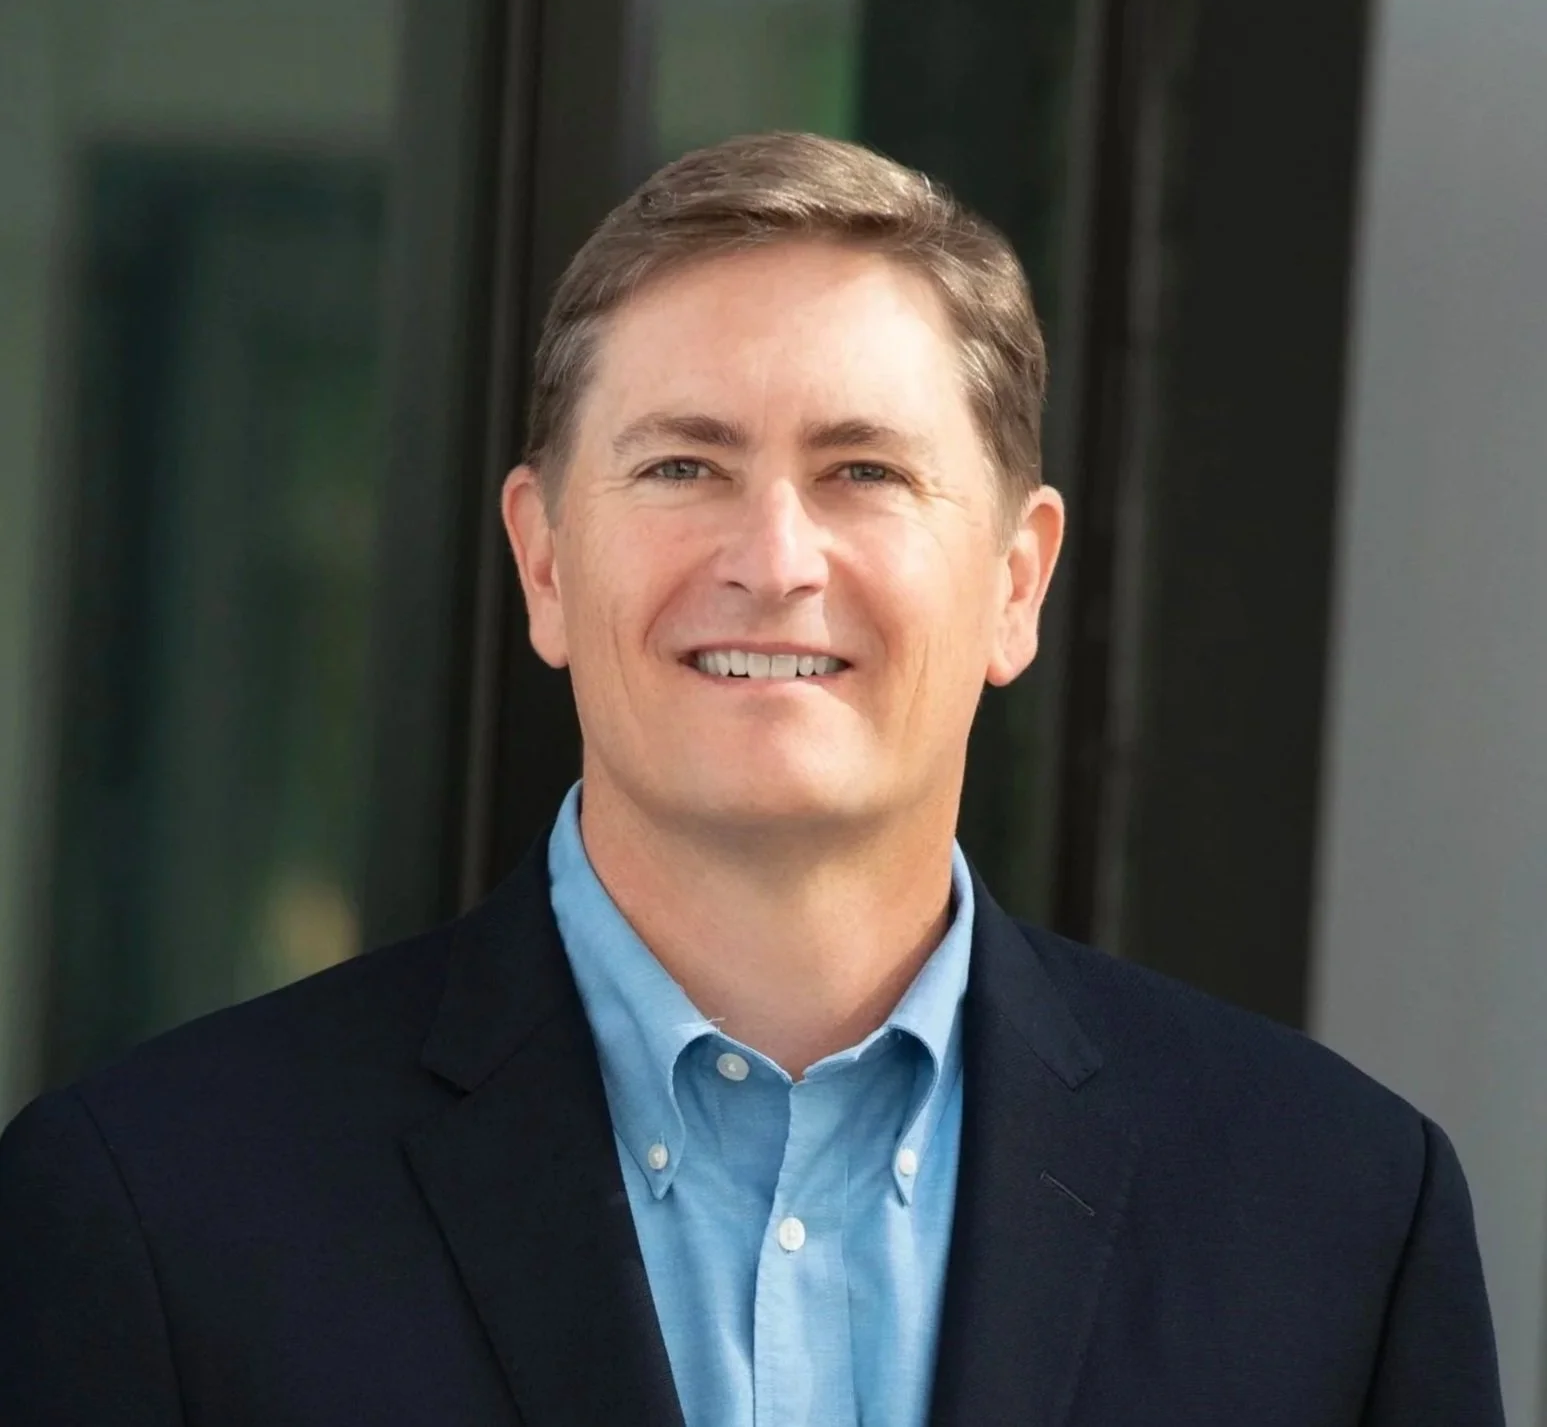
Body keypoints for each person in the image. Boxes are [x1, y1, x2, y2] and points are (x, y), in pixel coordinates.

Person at [0, 132, 1503, 1427]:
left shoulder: (1336, 1218)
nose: (773, 559)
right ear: (540, 558)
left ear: (1014, 581)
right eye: (681, 467)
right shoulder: (157, 1210)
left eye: (862, 470)